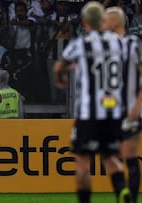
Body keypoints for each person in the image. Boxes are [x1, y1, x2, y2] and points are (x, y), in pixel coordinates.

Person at [53, 2, 132, 203]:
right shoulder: (119, 42)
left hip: (88, 113)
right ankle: (123, 192)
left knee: (82, 164)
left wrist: (62, 75)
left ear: (84, 21)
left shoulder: (82, 43)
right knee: (112, 158)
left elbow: (60, 65)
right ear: (103, 20)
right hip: (113, 112)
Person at [102, 7, 142, 203]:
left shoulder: (132, 45)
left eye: (107, 19)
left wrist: (136, 107)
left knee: (130, 157)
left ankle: (131, 198)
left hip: (130, 111)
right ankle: (123, 195)